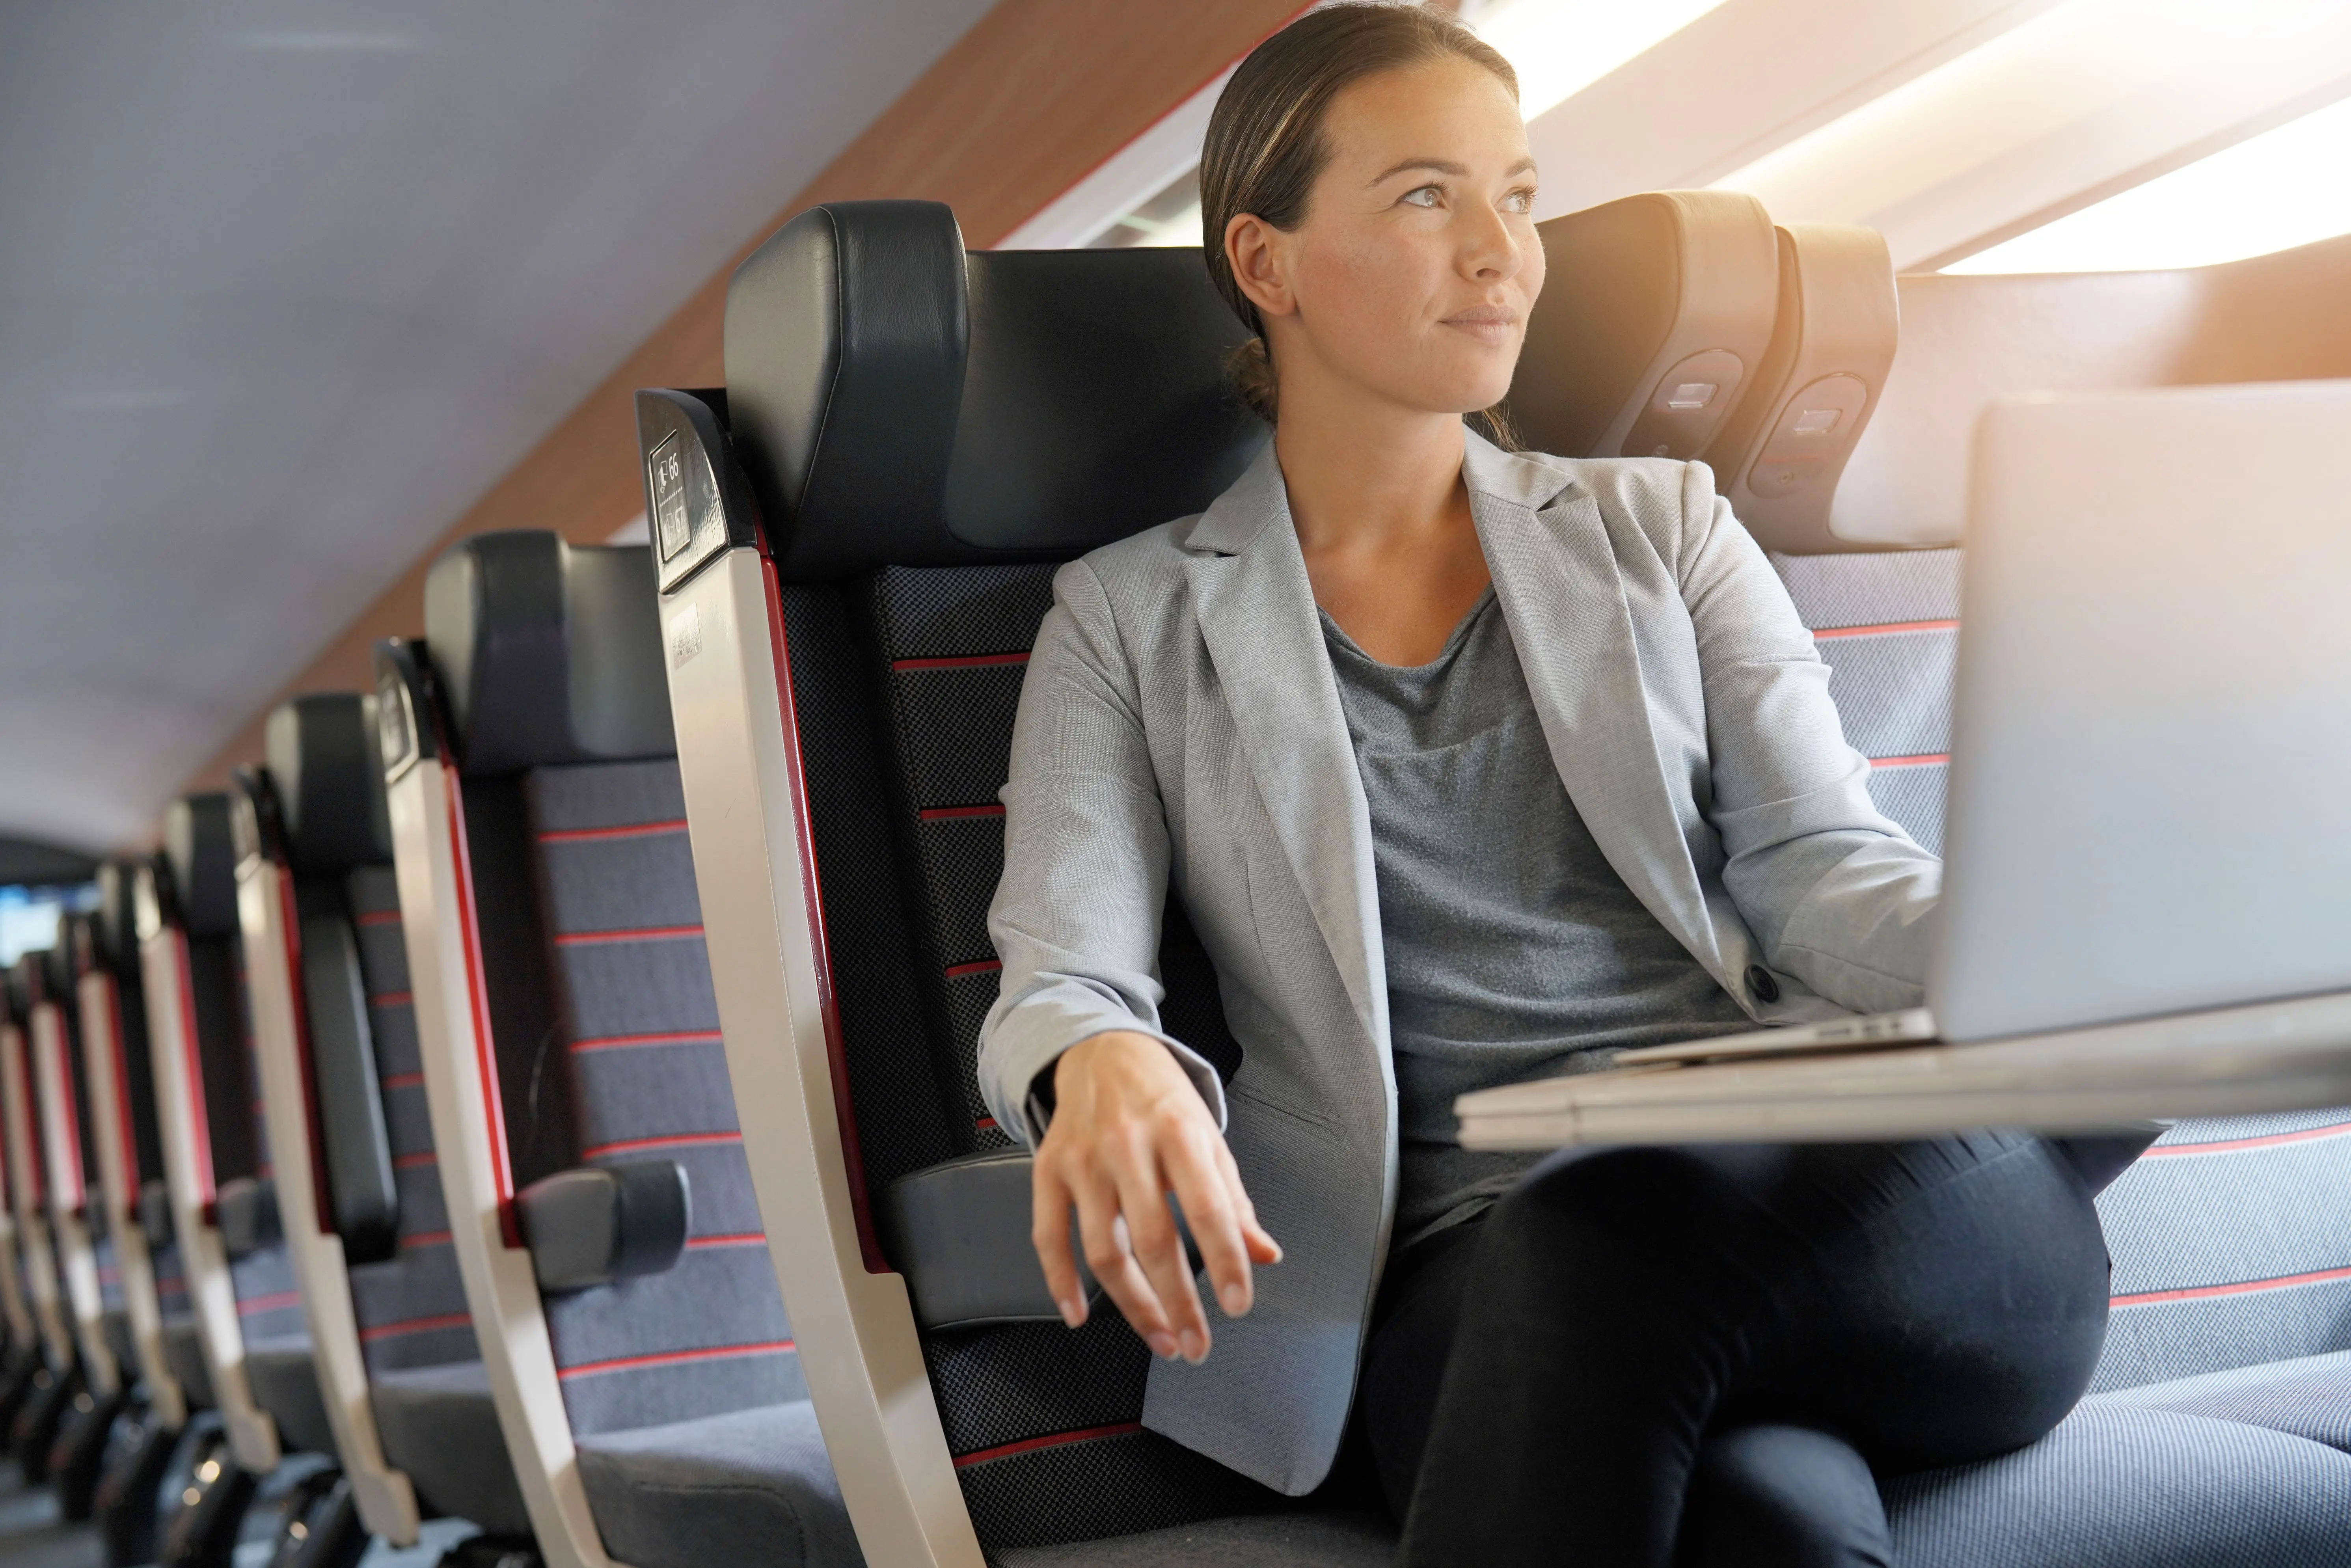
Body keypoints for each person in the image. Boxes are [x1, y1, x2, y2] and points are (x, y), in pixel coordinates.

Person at [976, 6, 2150, 1563]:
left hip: (1843, 1200)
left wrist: (2048, 951)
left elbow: (1822, 867)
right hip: (1463, 1270)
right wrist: (1097, 1064)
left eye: (1517, 197)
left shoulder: (1665, 529)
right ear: (1267, 265)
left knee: (1617, 1239)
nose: (1502, 254)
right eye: (1425, 198)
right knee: (1771, 1523)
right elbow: (1064, 973)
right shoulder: (1130, 621)